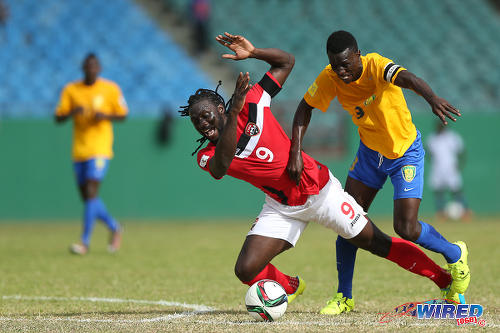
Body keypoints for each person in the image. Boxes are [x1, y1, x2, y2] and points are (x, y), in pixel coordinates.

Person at [180, 32, 466, 312]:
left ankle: (443, 279)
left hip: (319, 191)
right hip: (281, 206)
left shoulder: (253, 101)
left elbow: (286, 62)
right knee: (245, 269)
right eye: (196, 121)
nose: (203, 123)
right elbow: (221, 166)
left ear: (220, 107)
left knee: (377, 242)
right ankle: (291, 287)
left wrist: (254, 53)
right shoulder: (206, 155)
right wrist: (233, 114)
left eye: (206, 115)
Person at [286, 30, 470, 314]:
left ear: (358, 54)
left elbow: (408, 78)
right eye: (335, 65)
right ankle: (344, 297)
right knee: (346, 221)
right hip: (370, 155)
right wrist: (295, 150)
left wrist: (432, 98)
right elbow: (304, 108)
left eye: (346, 64)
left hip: (404, 153)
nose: (341, 71)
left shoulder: (376, 65)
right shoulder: (330, 77)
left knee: (406, 227)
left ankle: (454, 253)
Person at [55, 53, 128, 255]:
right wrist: (72, 113)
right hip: (79, 150)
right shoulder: (71, 90)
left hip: (100, 149)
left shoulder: (110, 89)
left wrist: (105, 115)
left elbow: (123, 114)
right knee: (88, 198)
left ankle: (84, 242)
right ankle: (114, 227)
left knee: (91, 191)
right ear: (83, 68)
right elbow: (58, 117)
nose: (91, 69)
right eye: (88, 66)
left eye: (95, 66)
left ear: (100, 69)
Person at [426, 122, 472, 221]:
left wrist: (460, 165)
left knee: (456, 190)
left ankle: (465, 211)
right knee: (438, 191)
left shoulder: (452, 137)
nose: (440, 127)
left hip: (451, 167)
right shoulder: (432, 138)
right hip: (437, 168)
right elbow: (428, 153)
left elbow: (461, 151)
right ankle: (441, 213)